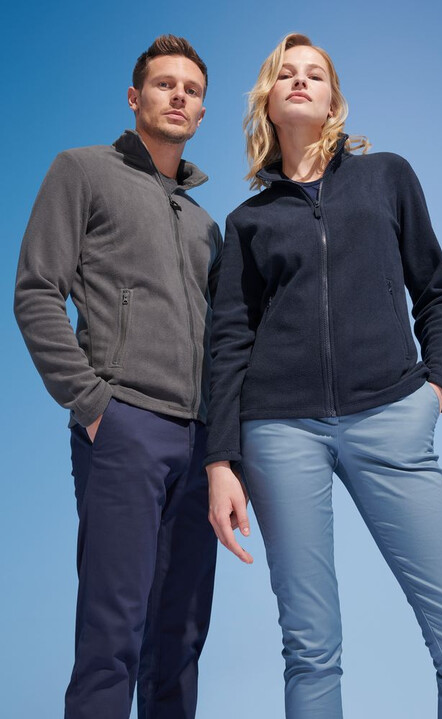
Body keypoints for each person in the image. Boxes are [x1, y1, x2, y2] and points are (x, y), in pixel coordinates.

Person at [205, 32, 442, 719]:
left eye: (315, 74)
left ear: (333, 101)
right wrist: (220, 460)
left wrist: (435, 389)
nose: (300, 81)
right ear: (267, 101)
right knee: (311, 647)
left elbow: (436, 294)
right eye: (286, 74)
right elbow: (229, 342)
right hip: (279, 432)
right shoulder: (247, 222)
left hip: (391, 414)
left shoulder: (387, 176)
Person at [14, 34, 221, 719]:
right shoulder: (81, 170)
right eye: (165, 84)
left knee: (180, 640)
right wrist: (94, 403)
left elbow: (225, 339)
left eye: (191, 91)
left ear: (201, 112)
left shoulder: (205, 224)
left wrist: (224, 445)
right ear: (135, 98)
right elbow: (36, 291)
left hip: (199, 443)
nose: (178, 97)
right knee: (113, 634)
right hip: (123, 423)